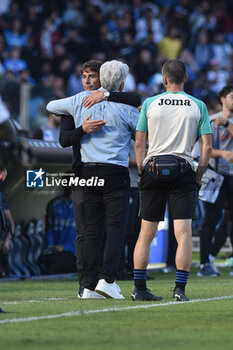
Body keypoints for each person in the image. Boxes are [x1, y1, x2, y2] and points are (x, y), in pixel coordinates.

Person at [47, 60, 139, 299]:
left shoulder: (75, 102)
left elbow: (50, 104)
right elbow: (139, 126)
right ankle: (104, 281)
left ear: (101, 79)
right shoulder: (122, 107)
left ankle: (88, 286)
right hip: (110, 173)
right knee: (111, 229)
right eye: (84, 76)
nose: (87, 81)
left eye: (92, 77)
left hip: (88, 172)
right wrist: (83, 129)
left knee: (92, 230)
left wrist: (105, 96)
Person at [132, 59, 212, 302]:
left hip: (153, 168)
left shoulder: (149, 103)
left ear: (164, 79)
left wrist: (142, 171)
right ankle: (180, 290)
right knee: (183, 233)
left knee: (146, 233)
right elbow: (207, 146)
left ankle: (139, 288)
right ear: (186, 78)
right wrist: (198, 176)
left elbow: (138, 143)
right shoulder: (198, 105)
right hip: (184, 170)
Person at [198, 85, 233, 277]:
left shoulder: (224, 122)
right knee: (210, 220)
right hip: (213, 175)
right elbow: (203, 148)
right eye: (231, 96)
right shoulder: (210, 121)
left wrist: (227, 124)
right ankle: (204, 264)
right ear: (222, 99)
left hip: (231, 175)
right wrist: (222, 153)